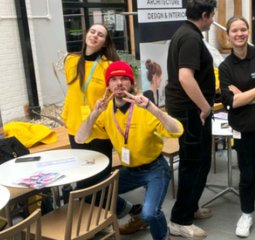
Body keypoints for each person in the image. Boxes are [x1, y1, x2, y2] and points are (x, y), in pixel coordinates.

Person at [75, 61, 183, 240]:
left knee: (151, 213)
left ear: (131, 83)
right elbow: (80, 138)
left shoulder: (144, 107)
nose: (119, 83)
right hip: (130, 170)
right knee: (95, 193)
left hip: (155, 168)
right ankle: (135, 213)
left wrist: (152, 107)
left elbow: (176, 130)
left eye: (124, 79)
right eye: (114, 79)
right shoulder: (105, 112)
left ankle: (162, 235)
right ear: (108, 85)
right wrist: (94, 114)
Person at [62, 24, 145, 234]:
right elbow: (73, 93)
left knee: (98, 181)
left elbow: (117, 94)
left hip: (99, 130)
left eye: (100, 34)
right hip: (76, 128)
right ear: (86, 34)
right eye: (92, 32)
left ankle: (125, 212)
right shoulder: (71, 61)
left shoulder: (109, 65)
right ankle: (102, 220)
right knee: (84, 179)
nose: (95, 36)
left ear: (104, 42)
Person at [218, 16, 255, 238]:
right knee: (246, 176)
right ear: (228, 35)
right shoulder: (225, 67)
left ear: (248, 31)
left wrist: (245, 96)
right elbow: (230, 102)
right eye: (235, 30)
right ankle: (246, 214)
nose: (240, 34)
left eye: (243, 29)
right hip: (244, 131)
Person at [165, 0, 217, 238]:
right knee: (192, 163)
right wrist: (205, 108)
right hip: (191, 111)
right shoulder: (191, 37)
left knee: (202, 160)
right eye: (212, 15)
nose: (213, 20)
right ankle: (179, 219)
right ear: (205, 15)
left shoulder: (186, 33)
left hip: (190, 110)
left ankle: (191, 206)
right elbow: (185, 77)